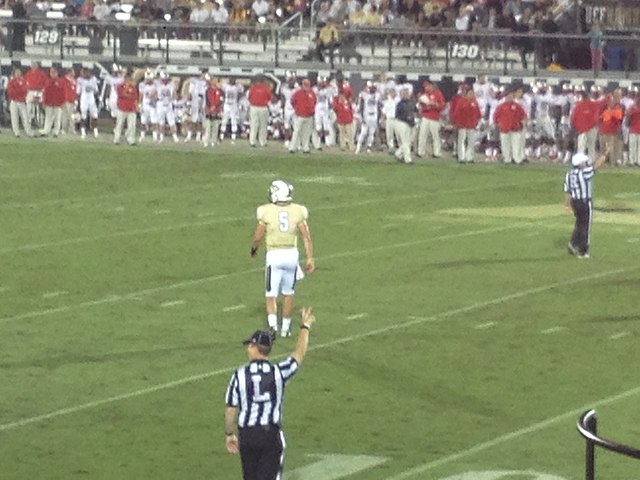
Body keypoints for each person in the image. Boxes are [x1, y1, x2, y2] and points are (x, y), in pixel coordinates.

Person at [224, 307, 316, 480]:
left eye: (250, 345)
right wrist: (305, 327)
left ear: (255, 347)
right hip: (269, 435)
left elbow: (230, 409)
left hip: (248, 436)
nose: (247, 349)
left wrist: (229, 434)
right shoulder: (278, 372)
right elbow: (298, 355)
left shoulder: (239, 374)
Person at [250, 180, 315, 337]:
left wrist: (254, 249)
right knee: (288, 293)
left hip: (274, 255)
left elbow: (258, 235)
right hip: (292, 255)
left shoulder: (266, 211)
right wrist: (310, 258)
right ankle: (285, 330)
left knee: (271, 294)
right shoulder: (298, 210)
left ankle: (273, 328)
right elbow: (306, 237)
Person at [564, 150, 608, 259]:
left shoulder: (569, 174)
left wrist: (567, 205)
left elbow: (567, 191)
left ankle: (573, 243)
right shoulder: (584, 173)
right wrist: (605, 153)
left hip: (575, 202)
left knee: (579, 224)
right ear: (579, 163)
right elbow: (596, 166)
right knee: (586, 226)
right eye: (584, 161)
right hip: (584, 202)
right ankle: (583, 250)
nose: (586, 163)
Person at [289, 79, 316, 154]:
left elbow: (315, 102)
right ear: (302, 85)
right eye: (305, 85)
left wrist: (312, 110)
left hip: (309, 116)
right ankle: (293, 147)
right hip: (300, 115)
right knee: (296, 132)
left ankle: (305, 147)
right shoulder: (298, 93)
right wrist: (297, 109)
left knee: (306, 133)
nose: (306, 86)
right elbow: (292, 101)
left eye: (308, 85)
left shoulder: (312, 93)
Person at [113, 72, 138, 145]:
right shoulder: (120, 86)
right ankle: (116, 139)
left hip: (131, 108)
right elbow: (122, 94)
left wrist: (136, 106)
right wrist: (127, 90)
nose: (129, 81)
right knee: (119, 124)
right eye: (128, 79)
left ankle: (131, 140)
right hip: (122, 108)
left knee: (132, 125)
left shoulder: (133, 88)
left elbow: (134, 97)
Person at [6, 67, 33, 137]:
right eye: (16, 72)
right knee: (14, 117)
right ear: (14, 74)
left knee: (25, 117)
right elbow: (10, 92)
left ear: (21, 73)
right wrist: (19, 91)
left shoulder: (24, 81)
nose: (18, 74)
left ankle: (28, 131)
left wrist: (18, 91)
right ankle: (16, 132)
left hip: (21, 102)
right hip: (14, 101)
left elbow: (25, 90)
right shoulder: (11, 82)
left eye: (19, 72)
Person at [247, 75, 273, 147]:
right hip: (263, 107)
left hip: (254, 107)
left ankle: (252, 141)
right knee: (263, 125)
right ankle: (263, 142)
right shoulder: (266, 88)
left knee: (254, 125)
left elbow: (249, 97)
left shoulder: (253, 88)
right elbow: (270, 98)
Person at [394, 87, 418, 164]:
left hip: (411, 123)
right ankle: (408, 159)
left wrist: (414, 115)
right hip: (402, 123)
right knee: (405, 141)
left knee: (409, 141)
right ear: (401, 95)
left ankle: (398, 154)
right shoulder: (400, 104)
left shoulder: (412, 102)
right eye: (404, 93)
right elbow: (397, 115)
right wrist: (406, 117)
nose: (406, 95)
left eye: (407, 93)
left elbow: (416, 111)